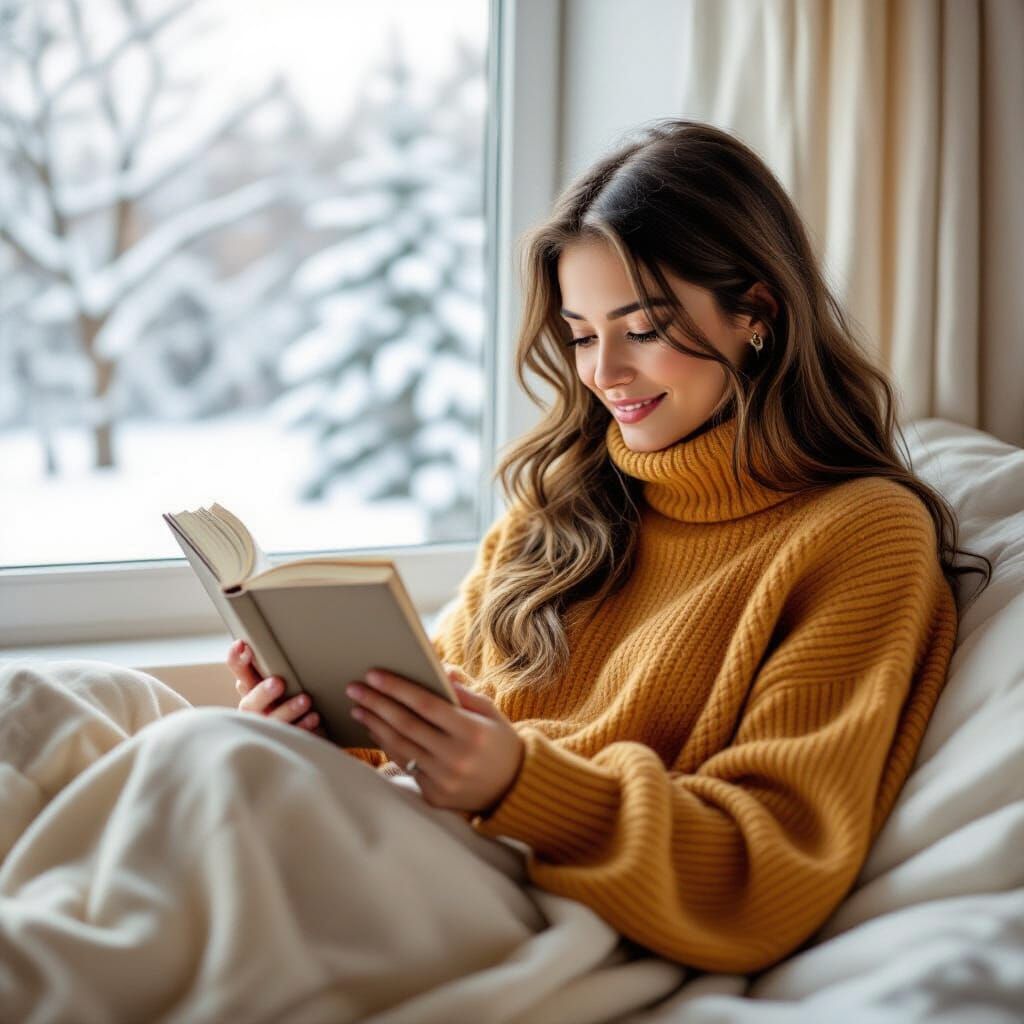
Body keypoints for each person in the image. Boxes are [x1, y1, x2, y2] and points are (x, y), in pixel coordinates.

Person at [227, 118, 990, 974]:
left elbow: (770, 864)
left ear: (756, 312)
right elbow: (425, 726)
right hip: (400, 844)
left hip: (536, 901)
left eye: (643, 326)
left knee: (195, 774)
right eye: (583, 334)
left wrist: (520, 784)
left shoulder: (859, 533)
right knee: (136, 730)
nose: (603, 374)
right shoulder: (561, 506)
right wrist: (317, 730)